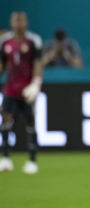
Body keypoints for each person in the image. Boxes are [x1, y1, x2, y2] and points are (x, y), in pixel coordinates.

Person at [0, 12, 43, 174]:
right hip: (10, 89)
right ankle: (5, 159)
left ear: (26, 22)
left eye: (21, 20)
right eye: (16, 20)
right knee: (5, 122)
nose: (19, 23)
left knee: (30, 123)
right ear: (11, 22)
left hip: (27, 90)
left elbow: (38, 63)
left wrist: (36, 83)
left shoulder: (33, 41)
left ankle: (32, 161)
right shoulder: (5, 42)